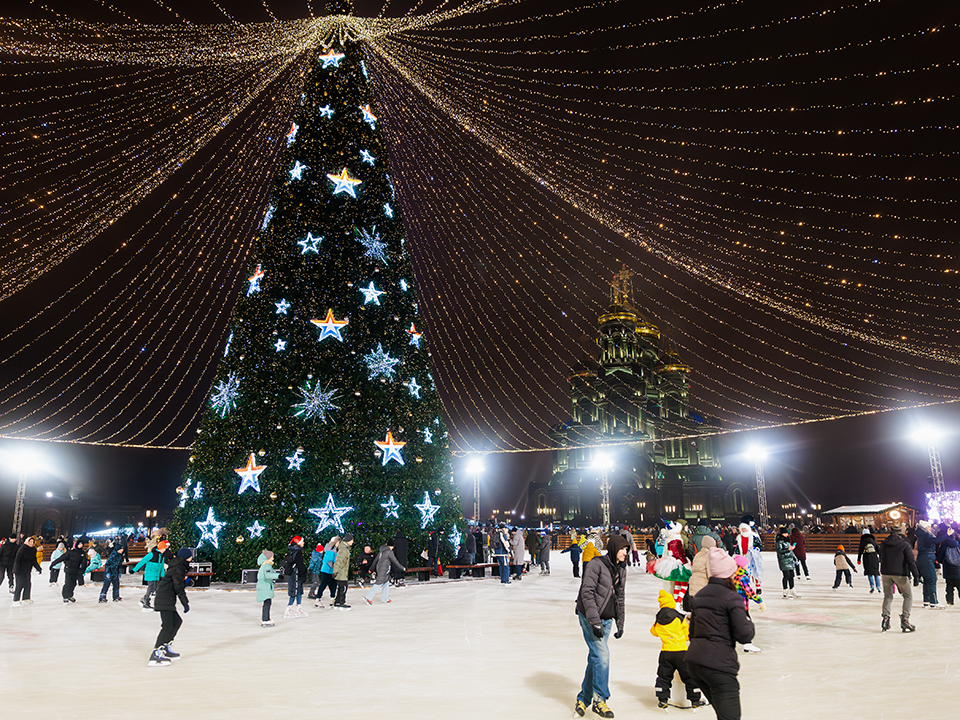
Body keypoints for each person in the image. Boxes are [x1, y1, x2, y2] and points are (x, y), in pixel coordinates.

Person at [686, 548, 755, 720]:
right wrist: (749, 622)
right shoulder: (731, 597)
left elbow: (691, 632)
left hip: (695, 663)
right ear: (728, 573)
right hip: (718, 666)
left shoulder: (700, 595)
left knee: (723, 714)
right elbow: (744, 635)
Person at [572, 534, 628, 719]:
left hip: (607, 618)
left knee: (596, 658)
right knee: (602, 655)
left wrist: (620, 623)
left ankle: (583, 698)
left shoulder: (621, 568)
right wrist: (594, 621)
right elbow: (586, 593)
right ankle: (600, 700)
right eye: (622, 549)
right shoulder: (596, 565)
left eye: (626, 550)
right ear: (613, 549)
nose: (625, 553)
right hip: (589, 616)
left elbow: (620, 596)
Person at [651, 589, 704, 710]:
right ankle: (695, 700)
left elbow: (653, 632)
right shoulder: (679, 617)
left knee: (664, 676)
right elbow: (686, 633)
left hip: (666, 652)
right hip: (681, 652)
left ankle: (662, 699)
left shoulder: (658, 619)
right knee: (689, 676)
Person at [149, 547, 192, 666]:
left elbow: (176, 583)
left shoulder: (178, 565)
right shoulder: (179, 567)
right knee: (167, 626)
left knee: (177, 621)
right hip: (164, 598)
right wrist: (185, 602)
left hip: (167, 598)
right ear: (185, 557)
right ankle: (156, 653)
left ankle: (165, 647)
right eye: (190, 555)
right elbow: (178, 587)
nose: (192, 557)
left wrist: (186, 582)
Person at [879, 525, 919, 632]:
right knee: (908, 596)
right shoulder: (904, 544)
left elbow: (880, 556)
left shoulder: (884, 543)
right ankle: (905, 620)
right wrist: (916, 575)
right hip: (900, 573)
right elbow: (911, 561)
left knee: (888, 596)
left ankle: (885, 619)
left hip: (886, 573)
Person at [915, 520, 948, 608]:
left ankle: (926, 600)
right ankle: (933, 601)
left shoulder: (922, 535)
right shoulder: (925, 535)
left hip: (923, 557)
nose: (931, 528)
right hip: (926, 558)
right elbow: (936, 541)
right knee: (932, 579)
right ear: (925, 528)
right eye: (929, 527)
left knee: (927, 579)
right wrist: (947, 535)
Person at [364, 538, 405, 605]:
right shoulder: (389, 552)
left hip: (380, 568)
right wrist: (402, 568)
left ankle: (384, 598)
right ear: (391, 546)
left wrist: (371, 568)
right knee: (379, 583)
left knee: (386, 581)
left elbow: (375, 560)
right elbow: (395, 561)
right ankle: (368, 597)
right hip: (384, 569)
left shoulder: (382, 551)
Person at [133, 539, 168, 610]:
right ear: (160, 548)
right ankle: (146, 601)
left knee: (155, 588)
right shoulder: (151, 554)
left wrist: (162, 574)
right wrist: (134, 570)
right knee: (151, 587)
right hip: (150, 573)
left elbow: (161, 566)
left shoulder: (162, 556)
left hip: (156, 575)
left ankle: (144, 598)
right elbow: (142, 561)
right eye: (163, 549)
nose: (164, 550)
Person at [283, 535, 308, 618]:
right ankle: (289, 608)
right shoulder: (298, 552)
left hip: (294, 574)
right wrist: (303, 574)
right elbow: (300, 564)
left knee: (298, 591)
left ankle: (298, 607)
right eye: (302, 541)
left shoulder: (293, 551)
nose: (304, 543)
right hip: (296, 575)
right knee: (295, 591)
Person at [12, 536, 42, 605]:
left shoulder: (33, 550)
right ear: (27, 542)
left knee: (28, 584)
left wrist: (38, 568)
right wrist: (16, 570)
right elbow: (17, 560)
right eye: (30, 542)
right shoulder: (22, 549)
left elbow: (33, 560)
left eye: (33, 542)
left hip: (27, 570)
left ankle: (26, 598)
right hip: (19, 570)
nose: (32, 543)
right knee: (20, 584)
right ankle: (16, 599)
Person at [687, 536, 717, 604]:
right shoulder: (708, 556)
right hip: (702, 587)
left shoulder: (698, 555)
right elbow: (710, 574)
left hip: (693, 585)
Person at [256, 549, 280, 627]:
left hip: (264, 586)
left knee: (267, 603)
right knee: (267, 603)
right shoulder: (267, 565)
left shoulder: (264, 565)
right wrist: (278, 576)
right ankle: (265, 619)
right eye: (272, 557)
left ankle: (266, 618)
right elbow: (268, 575)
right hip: (265, 587)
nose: (273, 559)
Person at [938, 526, 960, 606]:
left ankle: (949, 601)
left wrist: (943, 561)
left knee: (949, 586)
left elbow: (940, 557)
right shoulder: (958, 544)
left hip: (948, 568)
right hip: (958, 568)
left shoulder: (944, 545)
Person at [314, 536, 339, 607]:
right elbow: (330, 561)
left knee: (332, 585)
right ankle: (318, 599)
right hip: (328, 570)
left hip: (328, 570)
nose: (338, 544)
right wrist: (335, 566)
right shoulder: (332, 550)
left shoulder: (332, 549)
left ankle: (332, 599)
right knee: (325, 584)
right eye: (338, 542)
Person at [775, 528, 800, 599]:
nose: (786, 535)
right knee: (786, 575)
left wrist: (795, 558)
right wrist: (787, 550)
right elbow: (779, 551)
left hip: (790, 560)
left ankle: (792, 589)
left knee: (792, 575)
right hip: (783, 560)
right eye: (785, 533)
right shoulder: (779, 541)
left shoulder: (787, 540)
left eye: (787, 533)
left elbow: (791, 551)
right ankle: (785, 591)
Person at [333, 533, 354, 610]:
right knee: (344, 587)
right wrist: (336, 571)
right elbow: (339, 561)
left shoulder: (344, 548)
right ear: (348, 541)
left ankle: (337, 601)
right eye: (352, 540)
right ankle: (341, 602)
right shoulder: (344, 550)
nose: (352, 542)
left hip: (342, 571)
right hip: (341, 572)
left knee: (341, 587)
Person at [857, 528, 882, 593]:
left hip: (867, 558)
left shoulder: (863, 541)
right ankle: (878, 587)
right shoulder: (873, 541)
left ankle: (872, 586)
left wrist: (859, 559)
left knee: (869, 573)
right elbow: (879, 550)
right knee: (876, 573)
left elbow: (860, 551)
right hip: (874, 557)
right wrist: (881, 558)